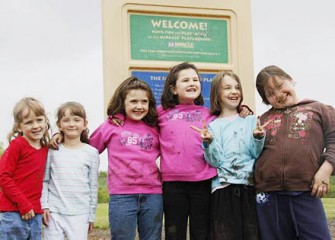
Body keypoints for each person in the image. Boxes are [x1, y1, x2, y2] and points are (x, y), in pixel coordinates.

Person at [159, 62, 253, 240]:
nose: (192, 83)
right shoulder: (161, 113)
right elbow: (137, 119)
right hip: (173, 185)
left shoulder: (209, 113)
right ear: (173, 89)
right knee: (174, 232)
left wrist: (243, 108)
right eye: (185, 80)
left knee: (202, 233)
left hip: (202, 183)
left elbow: (229, 115)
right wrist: (117, 116)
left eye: (195, 79)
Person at [254, 65, 335, 240]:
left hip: (306, 190)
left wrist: (325, 170)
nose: (278, 94)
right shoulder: (263, 120)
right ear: (266, 100)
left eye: (280, 85)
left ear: (290, 79)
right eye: (270, 93)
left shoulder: (319, 109)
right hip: (267, 194)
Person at [191, 71, 267, 240]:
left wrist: (258, 137)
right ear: (217, 94)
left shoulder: (251, 120)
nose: (234, 91)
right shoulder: (212, 126)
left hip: (249, 188)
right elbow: (215, 161)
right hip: (222, 190)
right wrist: (209, 142)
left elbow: (256, 153)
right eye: (227, 88)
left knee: (252, 234)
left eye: (237, 87)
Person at [90, 77, 162, 240]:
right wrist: (61, 136)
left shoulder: (155, 126)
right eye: (133, 101)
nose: (139, 106)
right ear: (122, 102)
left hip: (153, 194)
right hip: (122, 195)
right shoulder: (110, 126)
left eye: (144, 101)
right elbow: (87, 149)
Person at [41, 102, 100, 240]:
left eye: (76, 120)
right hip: (54, 212)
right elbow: (45, 180)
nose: (71, 124)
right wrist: (44, 206)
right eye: (66, 120)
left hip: (80, 213)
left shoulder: (92, 153)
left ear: (85, 124)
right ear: (59, 125)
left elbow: (93, 186)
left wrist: (91, 216)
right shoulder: (52, 150)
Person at [0, 97, 50, 239]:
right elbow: (3, 176)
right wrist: (24, 204)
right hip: (13, 213)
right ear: (19, 126)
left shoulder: (46, 149)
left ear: (45, 121)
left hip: (35, 214)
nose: (35, 126)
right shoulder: (18, 145)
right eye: (29, 122)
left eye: (39, 120)